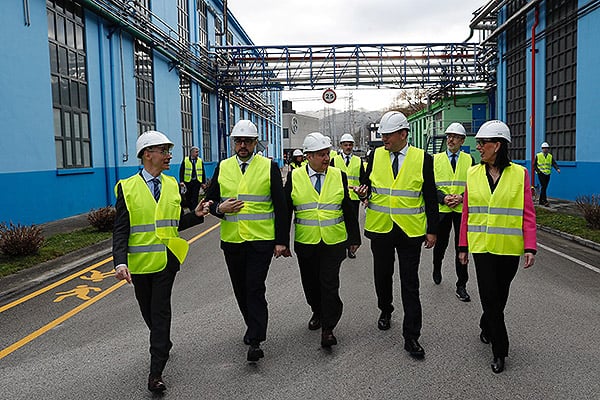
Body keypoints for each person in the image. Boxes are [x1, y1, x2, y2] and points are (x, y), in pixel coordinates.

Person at [113, 130, 211, 393]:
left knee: (160, 312)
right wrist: (119, 262)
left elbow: (175, 222)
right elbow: (121, 229)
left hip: (167, 261)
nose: (169, 155)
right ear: (147, 155)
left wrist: (197, 214)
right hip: (140, 263)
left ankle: (156, 372)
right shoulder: (127, 187)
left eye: (169, 150)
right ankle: (162, 342)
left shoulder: (171, 185)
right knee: (149, 312)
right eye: (163, 150)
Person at [355, 111, 438, 359]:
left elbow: (430, 196)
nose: (384, 140)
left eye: (388, 135)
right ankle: (385, 309)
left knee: (410, 283)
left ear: (403, 134)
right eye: (382, 135)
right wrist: (363, 193)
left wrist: (432, 229)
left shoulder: (423, 158)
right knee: (382, 276)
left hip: (409, 230)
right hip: (381, 228)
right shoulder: (374, 155)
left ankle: (411, 335)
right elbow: (367, 185)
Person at [204, 120, 289, 362]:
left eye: (247, 142)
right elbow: (210, 202)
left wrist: (281, 241)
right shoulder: (223, 167)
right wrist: (220, 207)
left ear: (255, 143)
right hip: (232, 241)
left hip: (261, 240)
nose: (243, 146)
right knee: (241, 289)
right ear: (234, 143)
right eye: (239, 141)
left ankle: (256, 339)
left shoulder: (268, 166)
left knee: (254, 287)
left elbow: (280, 207)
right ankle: (252, 325)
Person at [458, 120, 536, 374]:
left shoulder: (519, 174)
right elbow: (467, 212)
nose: (478, 147)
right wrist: (463, 246)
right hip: (482, 249)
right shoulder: (472, 173)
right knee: (489, 297)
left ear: (498, 145)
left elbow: (527, 213)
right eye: (478, 143)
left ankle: (486, 325)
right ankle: (500, 351)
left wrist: (530, 246)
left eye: (483, 143)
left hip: (508, 248)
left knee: (498, 298)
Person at [284, 132, 361, 348]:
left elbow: (347, 208)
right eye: (320, 154)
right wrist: (281, 241)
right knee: (310, 284)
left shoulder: (338, 175)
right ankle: (316, 311)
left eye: (327, 153)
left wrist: (353, 237)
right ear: (308, 156)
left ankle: (328, 328)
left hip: (333, 241)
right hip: (306, 242)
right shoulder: (295, 177)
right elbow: (285, 210)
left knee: (329, 284)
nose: (326, 158)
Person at [432, 122, 475, 302]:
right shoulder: (435, 159)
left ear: (462, 140)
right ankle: (436, 266)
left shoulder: (469, 160)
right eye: (449, 136)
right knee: (440, 244)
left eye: (455, 137)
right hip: (442, 209)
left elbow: (475, 186)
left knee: (462, 246)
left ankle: (461, 284)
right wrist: (443, 198)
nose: (451, 139)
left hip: (460, 210)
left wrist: (462, 197)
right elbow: (429, 186)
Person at [331, 133, 366, 259]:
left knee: (352, 222)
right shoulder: (334, 160)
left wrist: (364, 197)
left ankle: (351, 248)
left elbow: (363, 179)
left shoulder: (358, 161)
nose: (348, 147)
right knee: (340, 222)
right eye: (346, 145)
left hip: (354, 198)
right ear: (341, 146)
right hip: (339, 197)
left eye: (350, 145)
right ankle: (340, 245)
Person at [533, 142, 560, 206]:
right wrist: (538, 171)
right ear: (542, 149)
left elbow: (553, 163)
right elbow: (534, 165)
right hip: (541, 173)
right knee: (544, 186)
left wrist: (557, 169)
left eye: (546, 148)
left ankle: (540, 201)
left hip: (548, 174)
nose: (545, 149)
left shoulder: (550, 156)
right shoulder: (538, 155)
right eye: (544, 148)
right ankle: (545, 201)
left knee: (544, 187)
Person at [179, 146, 206, 211]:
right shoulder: (185, 160)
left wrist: (203, 182)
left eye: (198, 152)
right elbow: (181, 171)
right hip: (188, 182)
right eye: (196, 152)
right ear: (192, 153)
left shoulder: (199, 160)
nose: (197, 153)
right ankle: (190, 208)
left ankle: (194, 210)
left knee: (195, 197)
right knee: (188, 196)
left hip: (197, 181)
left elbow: (202, 171)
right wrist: (181, 181)